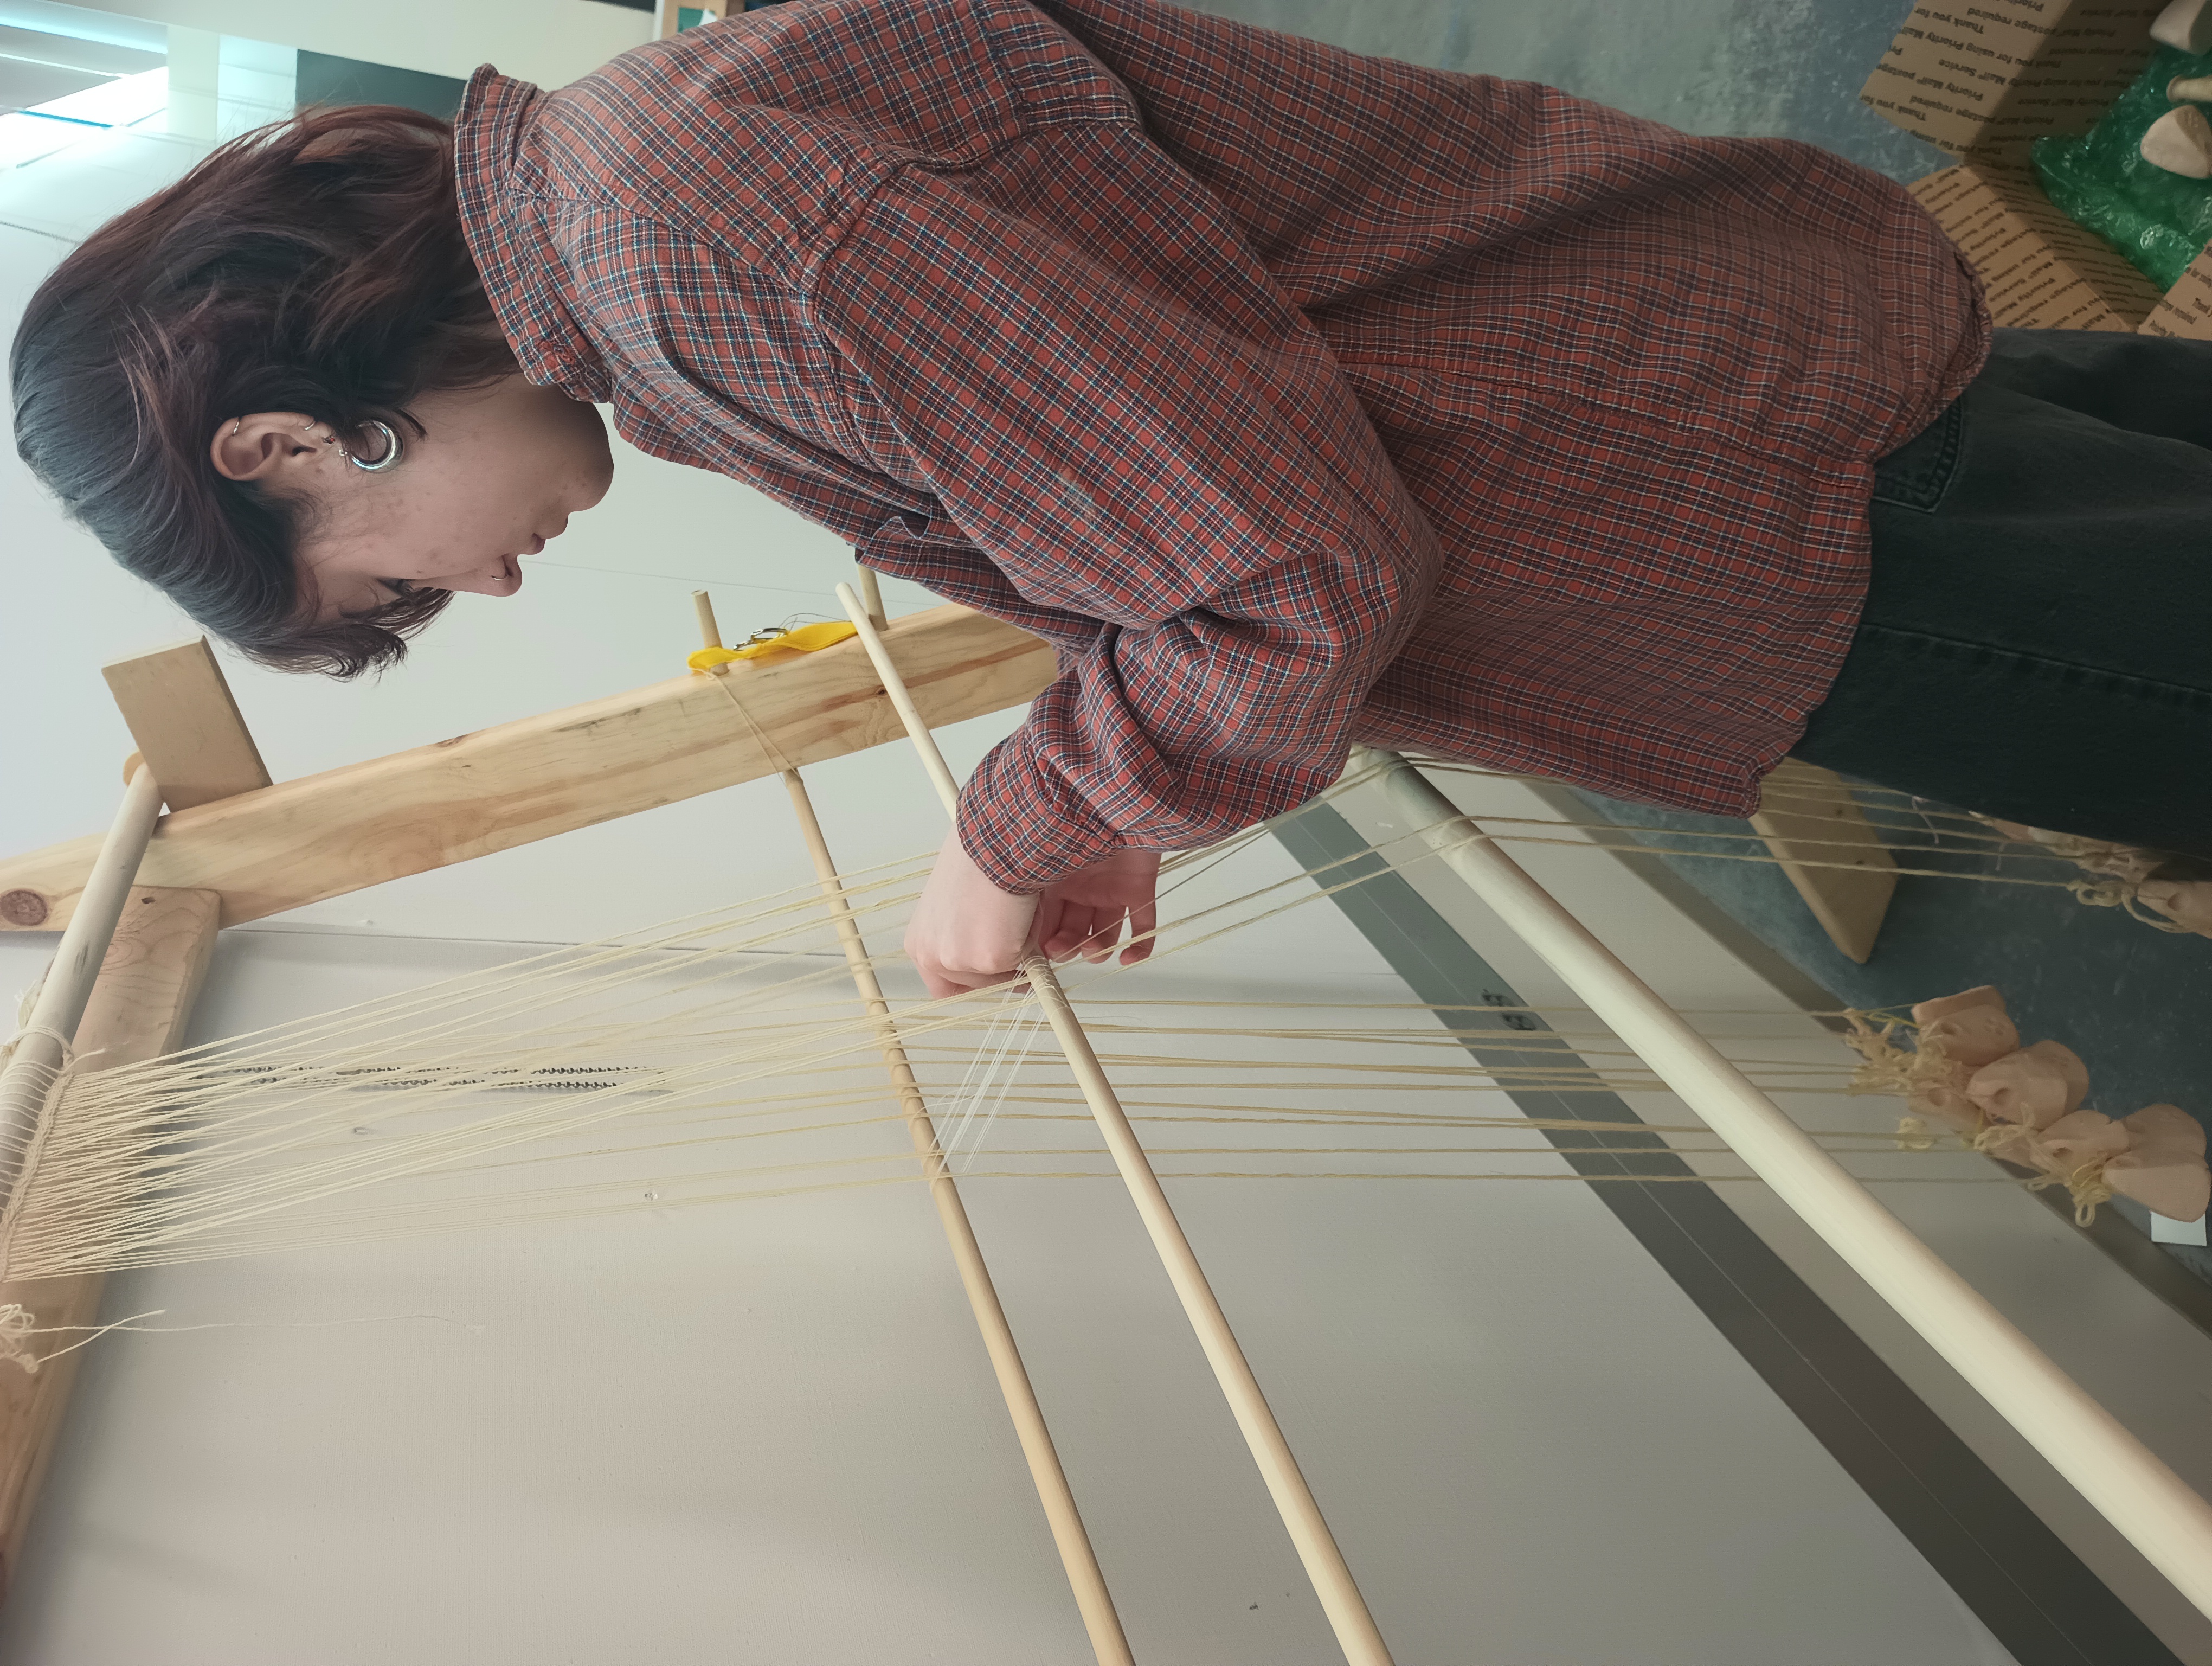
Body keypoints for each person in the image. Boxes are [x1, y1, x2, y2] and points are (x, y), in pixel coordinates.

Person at [12, 0, 2208, 999]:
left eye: (385, 587)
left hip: (1749, 516)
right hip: (1745, 386)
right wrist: (1127, 779)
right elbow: (1176, 445)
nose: (478, 588)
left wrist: (1026, 826)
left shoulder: (703, 261)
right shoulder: (651, 184)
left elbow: (1286, 566)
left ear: (289, 443)